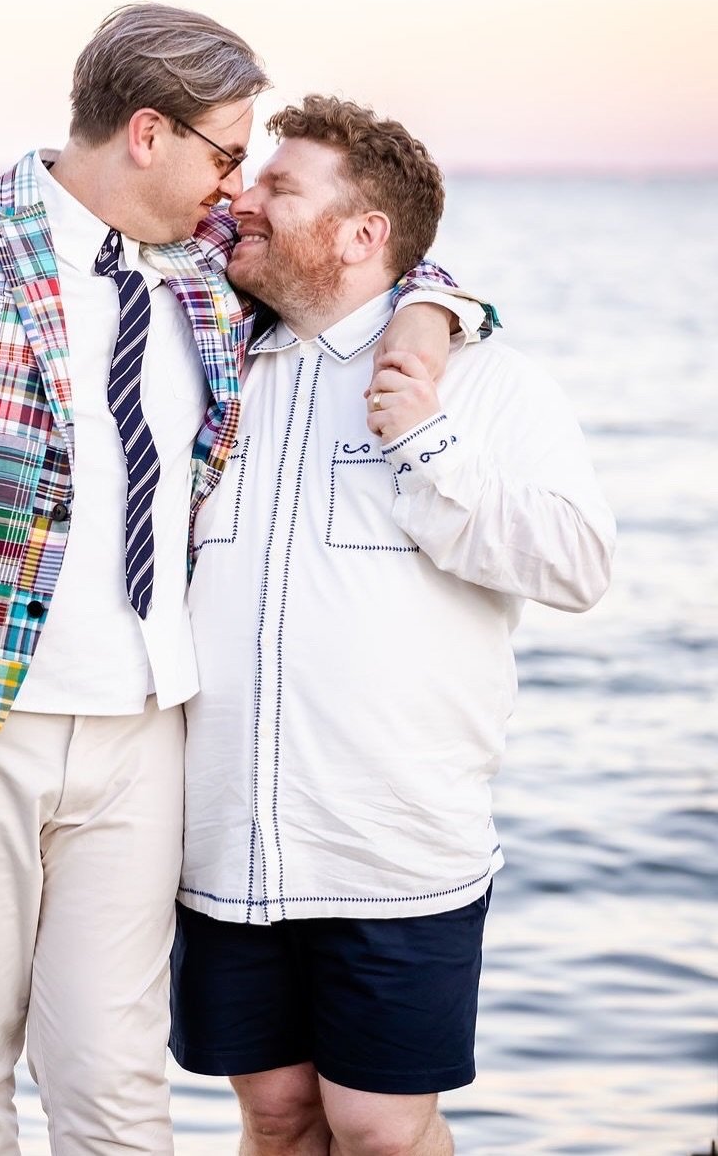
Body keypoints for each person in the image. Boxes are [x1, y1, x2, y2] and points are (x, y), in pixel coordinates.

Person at [0, 7, 487, 1156]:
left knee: (114, 1092)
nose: (238, 186)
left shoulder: (206, 273)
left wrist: (439, 317)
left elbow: (382, 258)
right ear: (147, 133)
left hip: (146, 732)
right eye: (225, 152)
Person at [170, 95, 616, 1156]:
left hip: (393, 850)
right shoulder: (209, 371)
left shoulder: (484, 384)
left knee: (380, 1131)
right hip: (225, 846)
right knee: (274, 1119)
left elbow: (579, 566)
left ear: (365, 233)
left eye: (280, 186)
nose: (244, 195)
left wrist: (429, 443)